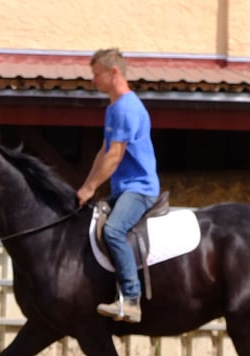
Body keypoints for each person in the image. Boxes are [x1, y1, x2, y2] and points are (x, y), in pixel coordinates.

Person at [76, 48, 160, 323]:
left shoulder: (127, 108)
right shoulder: (113, 108)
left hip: (140, 189)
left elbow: (115, 156)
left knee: (113, 231)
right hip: (122, 189)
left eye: (96, 74)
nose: (93, 80)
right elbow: (103, 152)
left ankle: (132, 300)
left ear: (114, 73)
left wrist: (90, 189)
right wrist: (86, 186)